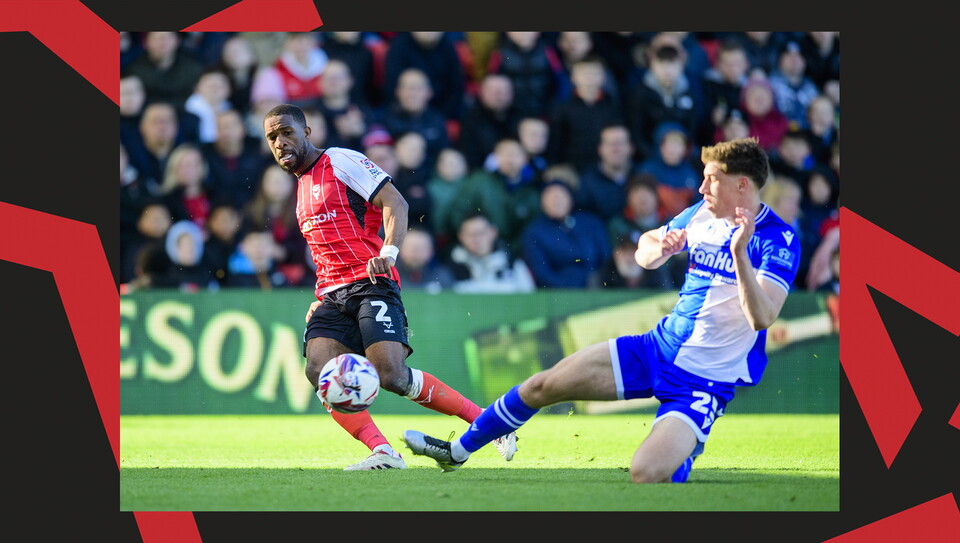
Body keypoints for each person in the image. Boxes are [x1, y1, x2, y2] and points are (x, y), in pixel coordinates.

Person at [402, 137, 800, 484]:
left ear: (742, 184)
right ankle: (457, 452)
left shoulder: (777, 239)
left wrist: (740, 256)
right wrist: (660, 249)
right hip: (655, 349)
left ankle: (684, 452)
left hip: (702, 381)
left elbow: (763, 317)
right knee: (544, 385)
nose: (701, 187)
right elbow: (644, 248)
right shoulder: (700, 213)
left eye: (711, 178)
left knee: (645, 474)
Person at [261, 103, 517, 470]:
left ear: (307, 132)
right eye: (272, 137)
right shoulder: (299, 189)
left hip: (371, 283)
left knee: (392, 377)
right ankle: (383, 451)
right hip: (332, 294)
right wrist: (319, 296)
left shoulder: (340, 160)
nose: (280, 142)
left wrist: (390, 251)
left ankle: (489, 425)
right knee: (319, 372)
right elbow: (325, 247)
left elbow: (395, 201)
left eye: (286, 132)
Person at [521, 177, 611, 289]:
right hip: (557, 293)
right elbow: (542, 274)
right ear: (542, 202)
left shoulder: (591, 223)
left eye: (561, 195)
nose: (556, 200)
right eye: (551, 196)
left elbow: (606, 259)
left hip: (597, 288)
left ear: (571, 198)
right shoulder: (534, 232)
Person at [446, 211, 536, 294]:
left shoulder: (513, 264)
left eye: (481, 233)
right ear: (460, 237)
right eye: (470, 234)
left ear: (493, 232)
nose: (476, 239)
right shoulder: (450, 269)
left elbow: (529, 299)